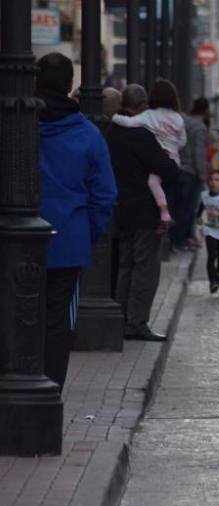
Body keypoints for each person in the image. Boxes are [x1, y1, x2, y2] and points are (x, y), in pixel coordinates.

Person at [36, 52, 117, 389]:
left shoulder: (17, 124)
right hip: (67, 241)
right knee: (57, 322)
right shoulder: (87, 135)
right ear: (72, 85)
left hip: (14, 243)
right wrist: (86, 234)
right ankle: (51, 390)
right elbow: (104, 197)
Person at [107, 83, 180, 342]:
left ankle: (120, 316)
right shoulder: (142, 133)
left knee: (126, 264)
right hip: (145, 210)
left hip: (121, 208)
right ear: (141, 106)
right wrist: (172, 166)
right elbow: (166, 168)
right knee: (145, 267)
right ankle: (136, 322)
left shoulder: (112, 131)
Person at [112, 79, 187, 229]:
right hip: (172, 156)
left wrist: (113, 117)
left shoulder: (149, 116)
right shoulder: (177, 118)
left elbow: (129, 123)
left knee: (153, 182)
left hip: (128, 203)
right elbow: (183, 140)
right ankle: (165, 215)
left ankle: (163, 212)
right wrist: (173, 147)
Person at [174, 97, 211, 251]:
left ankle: (176, 238)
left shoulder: (184, 122)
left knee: (178, 207)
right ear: (206, 110)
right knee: (189, 208)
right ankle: (182, 239)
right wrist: (202, 173)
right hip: (191, 172)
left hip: (179, 168)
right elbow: (199, 153)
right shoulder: (200, 127)